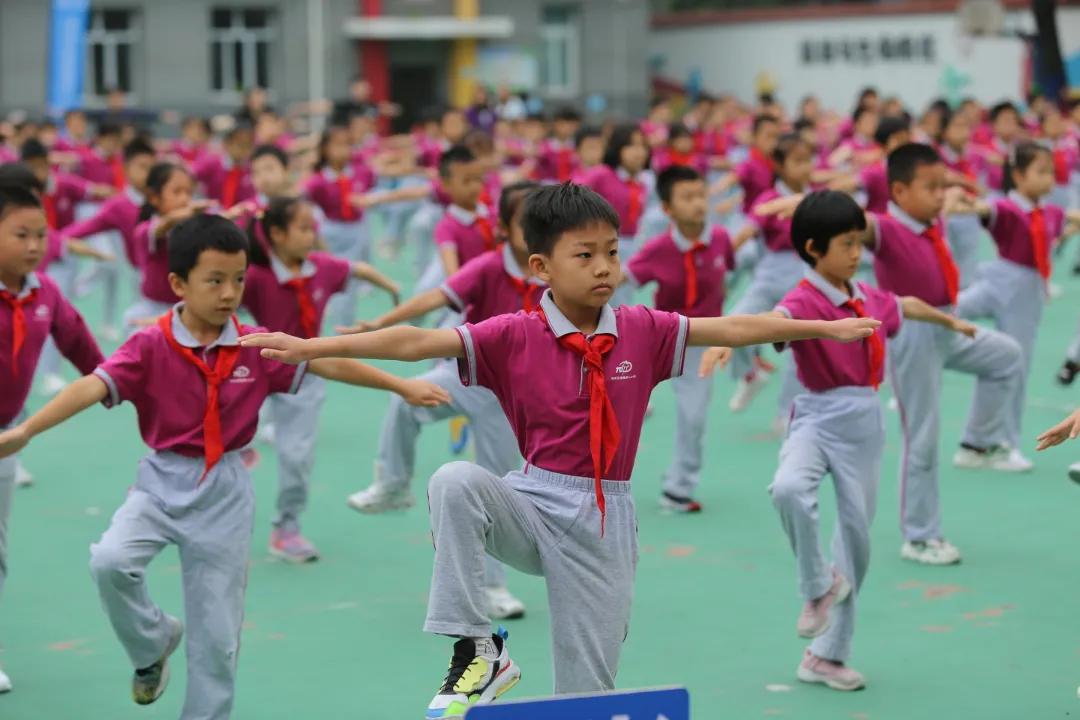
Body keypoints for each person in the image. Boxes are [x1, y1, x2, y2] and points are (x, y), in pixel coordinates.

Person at [238, 182, 880, 719]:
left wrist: (821, 325)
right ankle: (478, 650)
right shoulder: (512, 335)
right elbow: (417, 342)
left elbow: (737, 326)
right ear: (540, 267)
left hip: (606, 524)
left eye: (612, 252)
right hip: (534, 497)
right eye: (586, 255)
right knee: (456, 479)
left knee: (587, 697)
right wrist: (310, 347)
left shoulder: (642, 330)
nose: (606, 268)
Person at [0, 214, 446, 719]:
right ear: (178, 284)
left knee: (217, 641)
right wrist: (27, 430)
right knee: (109, 561)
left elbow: (327, 364)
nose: (229, 292)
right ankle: (152, 643)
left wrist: (400, 385)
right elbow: (93, 385)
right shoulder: (151, 344)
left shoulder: (254, 344)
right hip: (161, 481)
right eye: (214, 280)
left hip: (226, 491)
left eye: (237, 279)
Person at [705, 190, 977, 691]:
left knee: (856, 540)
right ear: (813, 248)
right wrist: (727, 341)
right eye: (846, 244)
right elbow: (775, 322)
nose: (857, 252)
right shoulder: (803, 299)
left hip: (865, 421)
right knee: (788, 488)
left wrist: (950, 320)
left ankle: (828, 656)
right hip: (815, 415)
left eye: (859, 242)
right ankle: (816, 584)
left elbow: (906, 304)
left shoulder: (866, 294)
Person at [343, 181, 543, 620]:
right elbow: (433, 298)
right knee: (403, 401)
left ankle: (494, 587)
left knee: (494, 490)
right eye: (525, 222)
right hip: (462, 372)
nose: (535, 230)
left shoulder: (554, 274)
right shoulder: (488, 267)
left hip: (507, 397)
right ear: (504, 229)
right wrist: (378, 323)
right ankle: (392, 485)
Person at [242, 195, 412, 562]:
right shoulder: (256, 276)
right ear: (276, 234)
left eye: (313, 228)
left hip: (304, 374)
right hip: (254, 369)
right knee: (225, 439)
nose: (312, 235)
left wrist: (389, 286)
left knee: (297, 457)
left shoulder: (320, 267)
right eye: (303, 228)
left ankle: (286, 527)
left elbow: (358, 269)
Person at [0, 184, 105, 694]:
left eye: (41, 234)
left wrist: (115, 383)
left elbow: (79, 341)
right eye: (21, 234)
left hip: (5, 439)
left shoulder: (44, 293)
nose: (36, 245)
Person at [624, 165, 744, 513]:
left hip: (699, 343)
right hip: (657, 336)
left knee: (694, 417)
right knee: (613, 407)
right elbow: (624, 279)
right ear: (667, 209)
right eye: (687, 198)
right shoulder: (658, 249)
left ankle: (679, 488)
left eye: (701, 196)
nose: (698, 204)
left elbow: (731, 271)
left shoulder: (720, 239)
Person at [954, 142, 1079, 456]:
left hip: (1028, 291)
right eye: (1040, 172)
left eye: (1051, 171)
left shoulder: (1050, 212)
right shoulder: (1007, 207)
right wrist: (966, 205)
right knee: (944, 311)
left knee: (1017, 367)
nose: (1049, 179)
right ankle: (1004, 441)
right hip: (1002, 278)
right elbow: (985, 208)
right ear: (1019, 175)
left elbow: (1072, 219)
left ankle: (1007, 440)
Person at [580, 124, 651, 306]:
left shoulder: (644, 181)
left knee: (624, 301)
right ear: (617, 148)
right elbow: (574, 199)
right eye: (631, 146)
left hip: (632, 246)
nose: (639, 152)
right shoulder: (601, 174)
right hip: (602, 247)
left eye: (642, 146)